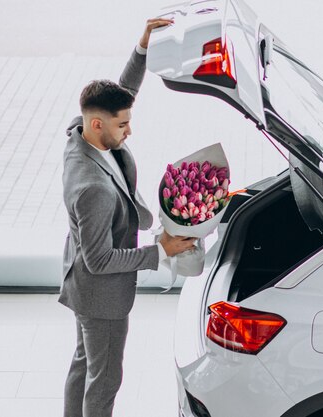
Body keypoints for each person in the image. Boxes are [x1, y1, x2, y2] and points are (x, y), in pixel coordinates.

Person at [59, 18, 196, 417]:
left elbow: (122, 94)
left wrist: (142, 48)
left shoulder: (80, 131)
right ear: (99, 124)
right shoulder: (93, 189)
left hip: (83, 288)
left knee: (84, 364)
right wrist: (160, 249)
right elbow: (99, 260)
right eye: (123, 125)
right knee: (105, 380)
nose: (130, 131)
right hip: (101, 298)